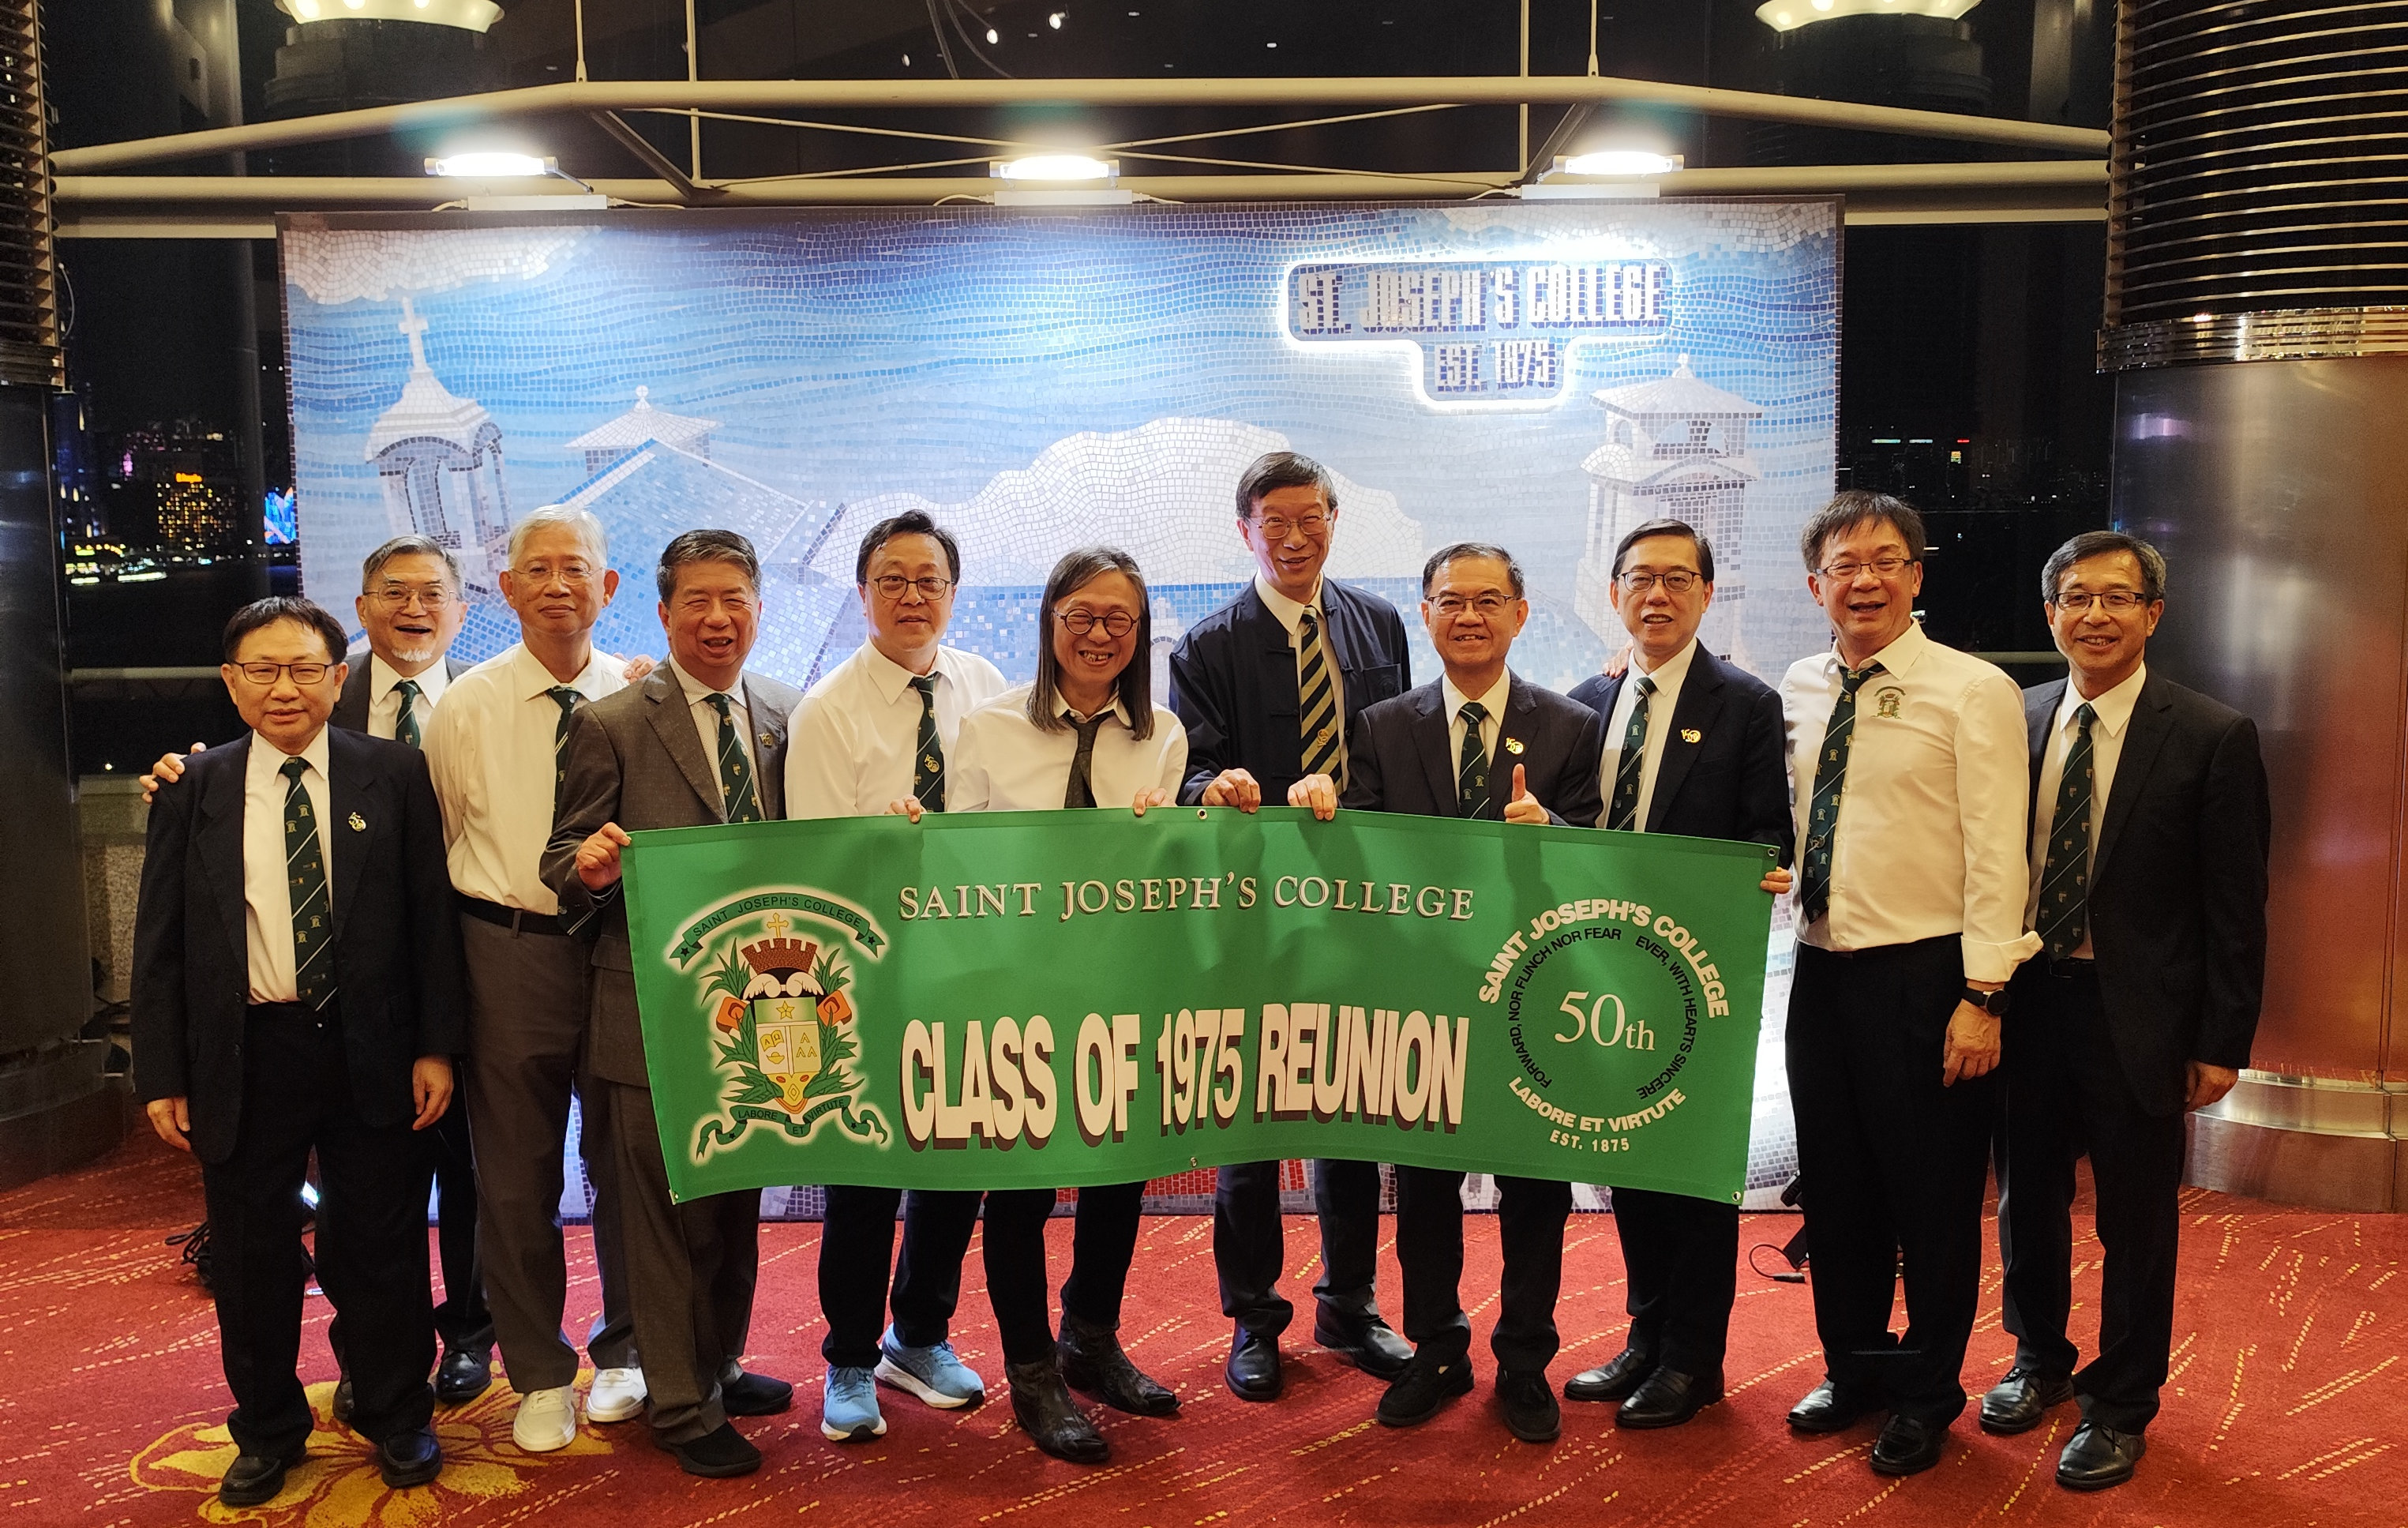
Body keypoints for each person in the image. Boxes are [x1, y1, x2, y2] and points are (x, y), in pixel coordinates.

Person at [131, 596, 466, 1507]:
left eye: (305, 668)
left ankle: (397, 1413)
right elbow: (158, 943)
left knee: (382, 1245)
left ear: (337, 677)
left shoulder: (392, 772)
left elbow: (430, 923)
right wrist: (161, 1073)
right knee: (251, 1256)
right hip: (246, 1051)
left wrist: (437, 1047)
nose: (285, 687)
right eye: (263, 670)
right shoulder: (192, 787)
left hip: (373, 1047)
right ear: (231, 681)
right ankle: (268, 1428)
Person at [1292, 541, 1604, 1445]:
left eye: (1486, 600)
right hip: (1420, 996)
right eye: (1449, 600)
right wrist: (1315, 806)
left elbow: (1601, 856)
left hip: (1533, 997)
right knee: (1424, 1187)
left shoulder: (1569, 726)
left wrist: (1553, 829)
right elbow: (1352, 862)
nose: (1467, 616)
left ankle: (1524, 1358)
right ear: (1423, 614)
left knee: (1534, 1188)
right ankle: (1436, 1348)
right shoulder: (1381, 725)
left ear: (1519, 613)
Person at [1982, 531, 2268, 1491]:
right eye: (2075, 597)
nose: (2093, 614)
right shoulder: (2013, 719)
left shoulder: (2210, 735)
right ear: (2048, 613)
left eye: (2115, 597)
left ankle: (2120, 1402)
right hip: (2025, 1003)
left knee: (2135, 1221)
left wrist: (2220, 1040)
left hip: (2137, 1017)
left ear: (2152, 613)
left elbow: (2235, 907)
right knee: (2024, 1200)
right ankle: (2037, 1359)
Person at [892, 546, 1187, 1464]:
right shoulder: (986, 729)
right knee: (1018, 1190)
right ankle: (1031, 1372)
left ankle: (1090, 1340)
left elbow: (1171, 870)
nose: (1098, 634)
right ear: (1049, 621)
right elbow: (956, 864)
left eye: (1118, 619)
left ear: (1138, 632)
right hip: (1010, 993)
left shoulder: (1162, 735)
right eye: (1080, 616)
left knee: (1117, 1176)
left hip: (1121, 990)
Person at [1775, 490, 2039, 1477]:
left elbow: (1997, 853)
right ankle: (1851, 1368)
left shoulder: (1971, 690)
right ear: (1815, 585)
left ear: (1915, 576)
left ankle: (1927, 1391)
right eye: (1843, 565)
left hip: (1928, 980)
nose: (1864, 581)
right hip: (1819, 974)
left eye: (1884, 561)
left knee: (1929, 1201)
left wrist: (1983, 996)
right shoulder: (1796, 686)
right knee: (1836, 1191)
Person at [547, 529, 801, 1479]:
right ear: (661, 613)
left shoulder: (785, 713)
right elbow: (562, 855)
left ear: (758, 608)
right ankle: (680, 1403)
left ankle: (718, 1363)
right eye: (696, 599)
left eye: (734, 598)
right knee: (659, 1214)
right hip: (648, 1006)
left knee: (735, 1201)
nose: (716, 617)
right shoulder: (611, 721)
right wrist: (588, 867)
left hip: (759, 1007)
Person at [1166, 451, 1414, 1401]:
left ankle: (1348, 1304)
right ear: (1245, 531)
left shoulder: (1379, 623)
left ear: (1333, 522)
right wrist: (1214, 785)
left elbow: (1398, 753)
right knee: (1251, 1124)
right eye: (1274, 521)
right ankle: (1253, 1318)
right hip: (1253, 916)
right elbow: (1189, 770)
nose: (1294, 536)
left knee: (1350, 1113)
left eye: (1310, 518)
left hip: (1356, 910)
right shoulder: (1205, 646)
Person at [422, 508, 648, 1453]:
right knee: (513, 1178)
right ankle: (540, 1371)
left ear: (608, 586)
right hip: (506, 951)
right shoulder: (464, 705)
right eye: (538, 570)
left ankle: (628, 1351)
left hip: (617, 949)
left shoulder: (641, 695)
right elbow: (439, 842)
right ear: (506, 588)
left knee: (628, 1165)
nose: (558, 585)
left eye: (577, 568)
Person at [1562, 518, 1795, 1429]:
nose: (1654, 595)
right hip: (1604, 974)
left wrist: (1754, 873)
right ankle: (1644, 1337)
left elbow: (1766, 834)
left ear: (1704, 592)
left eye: (1674, 579)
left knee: (1692, 1172)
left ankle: (1693, 1360)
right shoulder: (1586, 699)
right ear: (1613, 592)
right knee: (1629, 1163)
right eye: (1638, 578)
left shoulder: (1744, 702)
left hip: (1699, 977)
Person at [784, 510, 1006, 1443]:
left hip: (971, 970)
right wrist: (886, 848)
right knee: (865, 1177)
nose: (912, 597)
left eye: (929, 580)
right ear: (863, 592)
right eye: (892, 580)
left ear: (952, 592)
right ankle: (846, 1356)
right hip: (869, 974)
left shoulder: (987, 688)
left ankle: (917, 1337)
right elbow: (812, 863)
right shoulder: (828, 708)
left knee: (956, 1166)